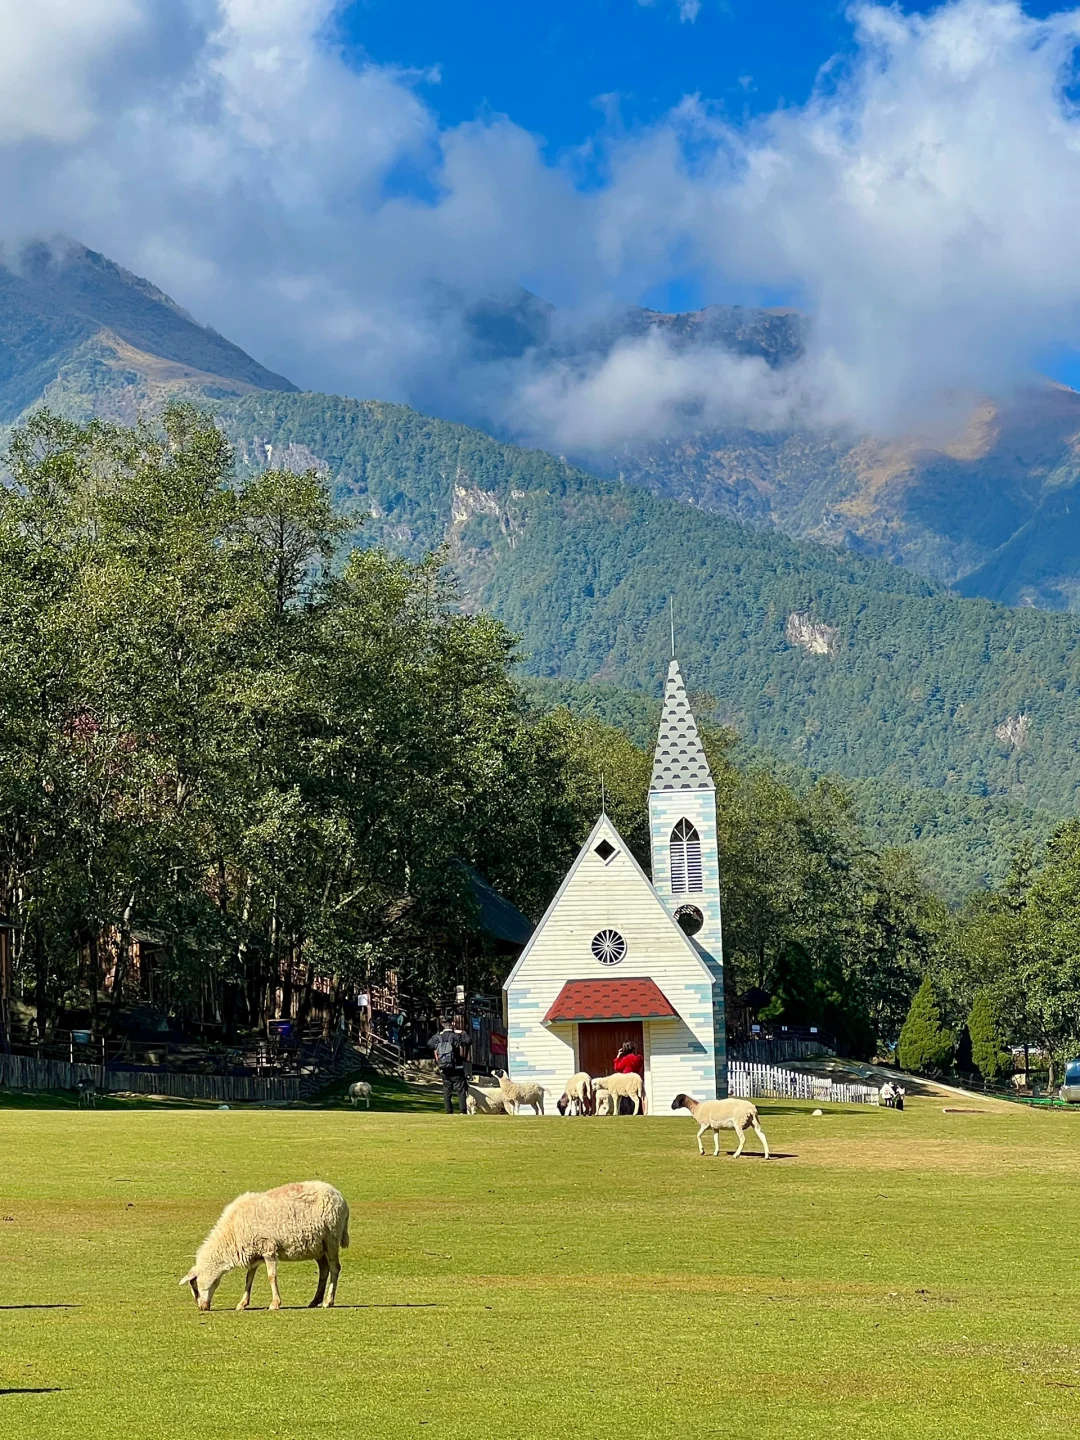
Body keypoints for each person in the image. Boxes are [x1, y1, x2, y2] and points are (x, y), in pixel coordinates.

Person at [428, 1014, 471, 1114]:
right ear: (452, 1024)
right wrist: (462, 1032)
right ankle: (463, 1111)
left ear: (442, 1024)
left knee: (447, 1090)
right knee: (461, 1090)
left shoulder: (437, 1037)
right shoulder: (455, 1036)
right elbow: (468, 1041)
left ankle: (449, 1111)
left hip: (443, 1067)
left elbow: (429, 1045)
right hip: (457, 1067)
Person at [613, 1040, 644, 1114]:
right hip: (635, 1080)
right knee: (636, 1098)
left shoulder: (626, 1059)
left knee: (626, 1100)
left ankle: (627, 1112)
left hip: (626, 1081)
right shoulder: (639, 1058)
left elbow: (617, 1068)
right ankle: (637, 1112)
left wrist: (618, 1056)